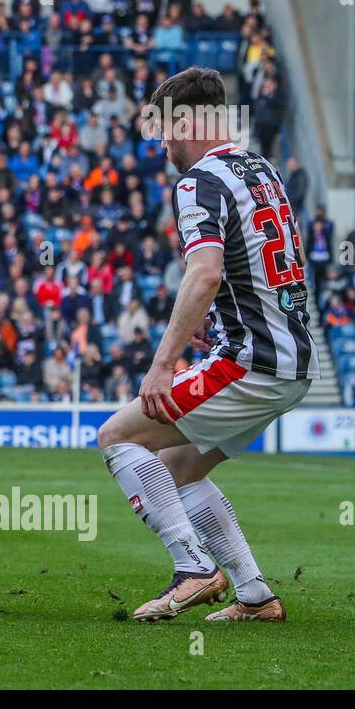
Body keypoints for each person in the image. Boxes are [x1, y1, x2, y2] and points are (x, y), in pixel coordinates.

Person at [97, 68, 318, 623]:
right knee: (177, 469)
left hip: (251, 362)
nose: (163, 144)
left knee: (119, 436)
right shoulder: (261, 169)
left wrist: (162, 364)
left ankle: (192, 569)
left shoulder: (198, 181)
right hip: (292, 357)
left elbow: (205, 275)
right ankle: (255, 597)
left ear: (188, 123)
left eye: (166, 130)